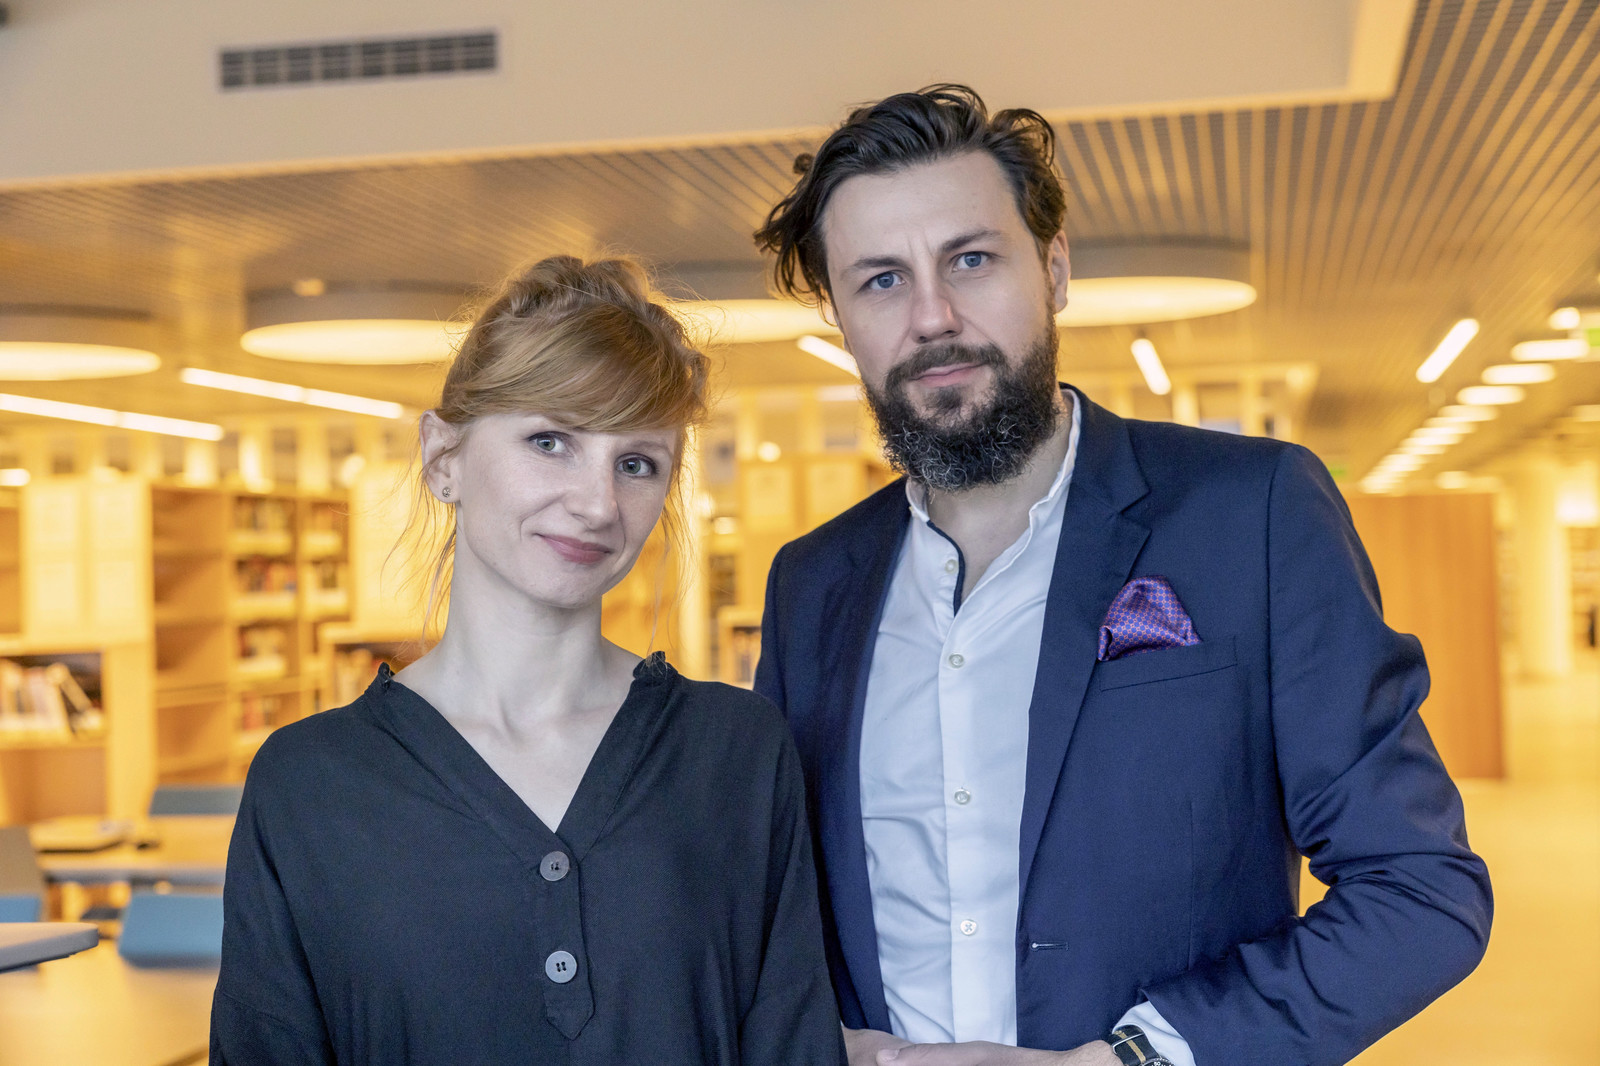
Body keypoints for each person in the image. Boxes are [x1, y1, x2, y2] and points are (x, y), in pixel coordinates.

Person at [750, 85, 1492, 1066]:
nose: (932, 316)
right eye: (880, 280)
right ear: (840, 317)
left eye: (971, 259)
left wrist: (1132, 1058)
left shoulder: (1252, 513)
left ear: (1054, 269)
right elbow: (776, 908)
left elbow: (1421, 888)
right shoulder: (810, 586)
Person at [211, 255, 846, 1065]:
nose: (597, 504)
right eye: (551, 442)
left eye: (636, 464)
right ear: (443, 458)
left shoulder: (738, 753)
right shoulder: (308, 784)